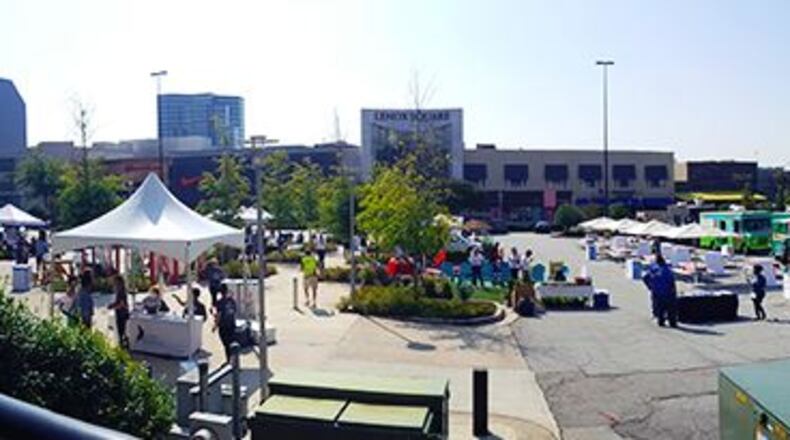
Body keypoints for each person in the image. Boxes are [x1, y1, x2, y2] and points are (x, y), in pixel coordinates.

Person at [643, 255, 678, 328]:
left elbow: (645, 277)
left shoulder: (653, 268)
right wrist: (674, 293)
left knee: (660, 308)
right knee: (671, 309)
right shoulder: (668, 270)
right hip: (668, 292)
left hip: (657, 292)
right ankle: (672, 323)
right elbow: (672, 282)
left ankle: (661, 321)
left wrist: (650, 286)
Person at [213, 284, 237, 362]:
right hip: (232, 324)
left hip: (223, 326)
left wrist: (215, 325)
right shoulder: (232, 300)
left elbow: (219, 315)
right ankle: (234, 360)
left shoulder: (220, 302)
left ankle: (229, 361)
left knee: (226, 344)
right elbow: (234, 311)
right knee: (232, 343)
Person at [107, 275, 130, 348]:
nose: (114, 284)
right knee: (120, 330)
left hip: (122, 313)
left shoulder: (121, 292)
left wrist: (112, 307)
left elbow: (121, 304)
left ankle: (123, 345)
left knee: (122, 330)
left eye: (115, 282)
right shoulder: (119, 291)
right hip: (120, 312)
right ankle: (122, 343)